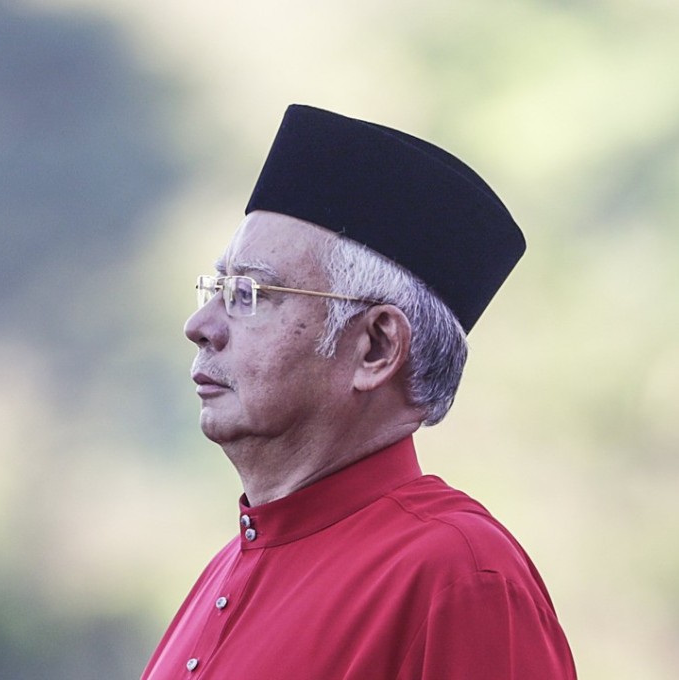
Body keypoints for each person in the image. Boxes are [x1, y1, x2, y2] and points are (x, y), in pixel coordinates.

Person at [140, 105, 576, 679]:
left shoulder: (459, 576)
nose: (201, 325)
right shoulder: (231, 565)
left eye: (250, 293)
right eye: (217, 288)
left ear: (375, 347)